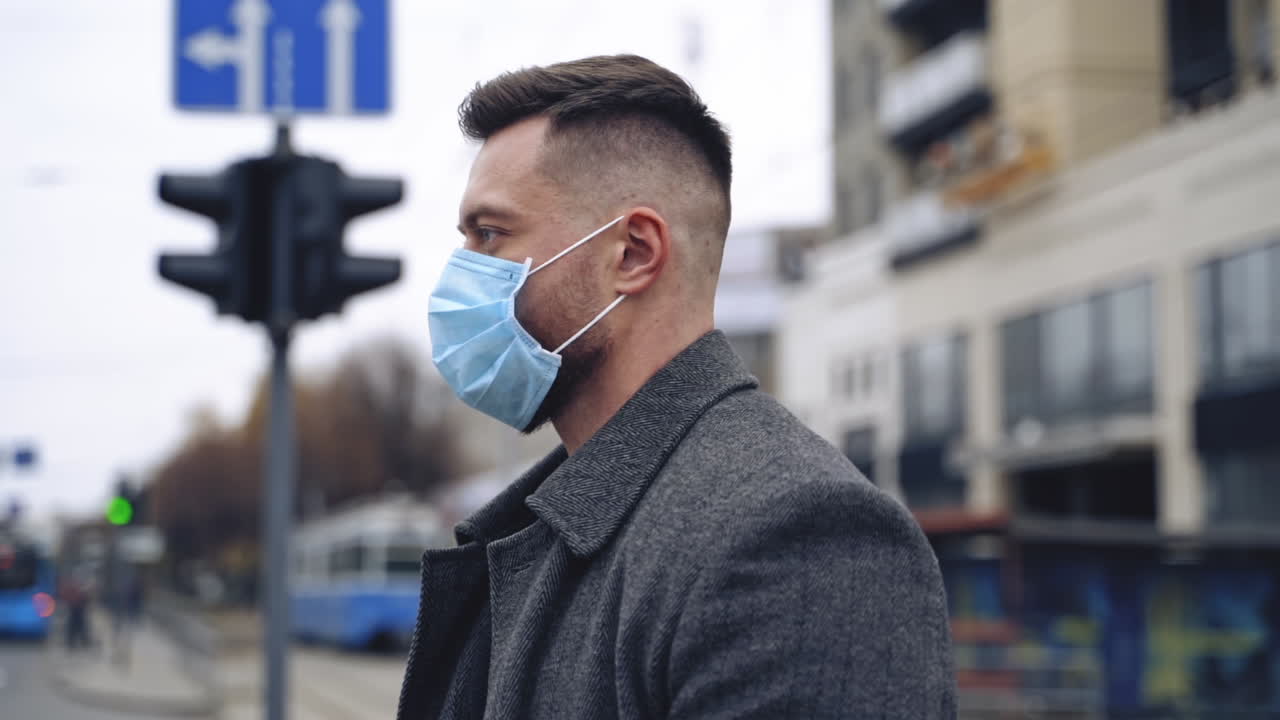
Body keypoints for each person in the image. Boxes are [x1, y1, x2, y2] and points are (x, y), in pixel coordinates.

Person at [399, 54, 955, 719]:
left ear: (633, 253)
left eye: (490, 233)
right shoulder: (554, 527)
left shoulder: (796, 536)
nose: (461, 274)